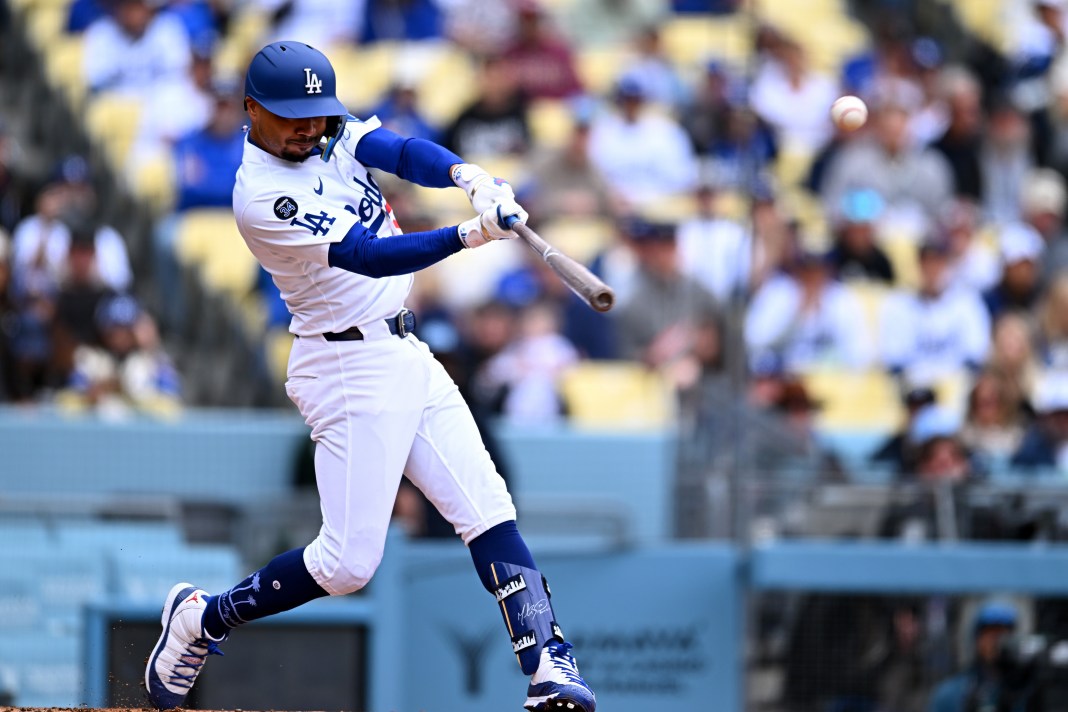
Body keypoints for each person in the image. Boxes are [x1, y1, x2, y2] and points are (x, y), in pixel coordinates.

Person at [143, 41, 596, 712]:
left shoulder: (323, 131)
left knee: (487, 508)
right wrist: (470, 234)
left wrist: (467, 173)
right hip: (345, 363)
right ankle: (202, 619)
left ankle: (548, 665)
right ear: (251, 110)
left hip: (405, 349)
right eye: (291, 115)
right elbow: (366, 256)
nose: (308, 127)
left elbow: (399, 151)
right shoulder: (263, 195)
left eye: (316, 113)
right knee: (347, 565)